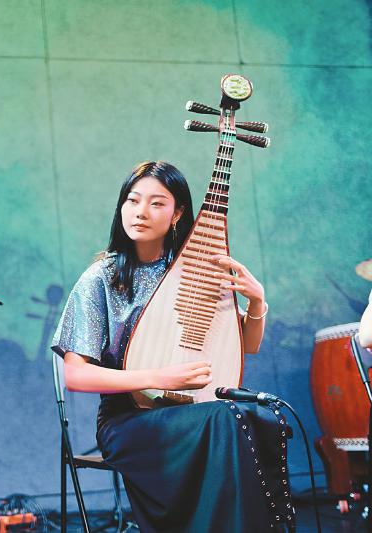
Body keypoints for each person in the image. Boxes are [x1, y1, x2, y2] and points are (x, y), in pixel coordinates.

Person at [52, 161, 293, 532]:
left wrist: (258, 304)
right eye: (133, 200)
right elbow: (76, 375)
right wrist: (159, 377)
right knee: (224, 418)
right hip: (128, 420)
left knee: (262, 418)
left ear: (178, 213)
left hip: (191, 412)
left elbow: (246, 345)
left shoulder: (195, 271)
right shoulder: (101, 277)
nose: (141, 212)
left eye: (157, 203)